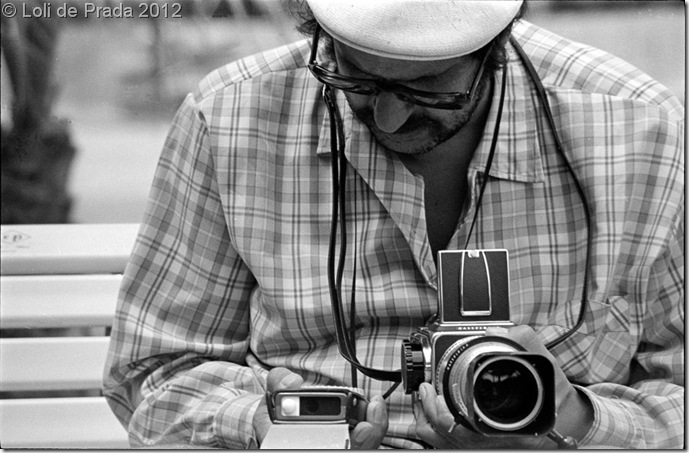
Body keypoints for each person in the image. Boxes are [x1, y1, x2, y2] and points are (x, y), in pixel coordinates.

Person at [103, 0, 684, 449]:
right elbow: (151, 376)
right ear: (319, 37)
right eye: (354, 79)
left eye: (424, 86)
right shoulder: (230, 116)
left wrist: (575, 424)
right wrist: (265, 424)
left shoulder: (639, 129)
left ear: (499, 48)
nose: (388, 114)